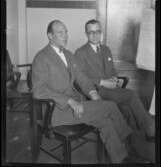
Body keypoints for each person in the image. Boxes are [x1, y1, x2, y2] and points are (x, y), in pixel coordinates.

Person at [32, 20, 135, 163]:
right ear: (50, 36)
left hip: (77, 105)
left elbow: (82, 78)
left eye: (66, 32)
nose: (65, 36)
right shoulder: (41, 57)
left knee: (106, 122)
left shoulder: (68, 54)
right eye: (60, 32)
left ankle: (121, 158)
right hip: (57, 111)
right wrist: (69, 100)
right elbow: (38, 90)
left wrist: (92, 92)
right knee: (110, 106)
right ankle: (131, 147)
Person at [74, 19, 155, 142]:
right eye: (91, 32)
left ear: (101, 32)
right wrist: (103, 82)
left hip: (111, 89)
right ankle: (150, 130)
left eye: (97, 31)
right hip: (96, 92)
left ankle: (128, 142)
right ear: (86, 34)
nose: (95, 35)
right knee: (131, 95)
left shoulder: (106, 49)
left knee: (127, 107)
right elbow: (81, 78)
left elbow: (112, 69)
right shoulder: (80, 52)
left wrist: (115, 78)